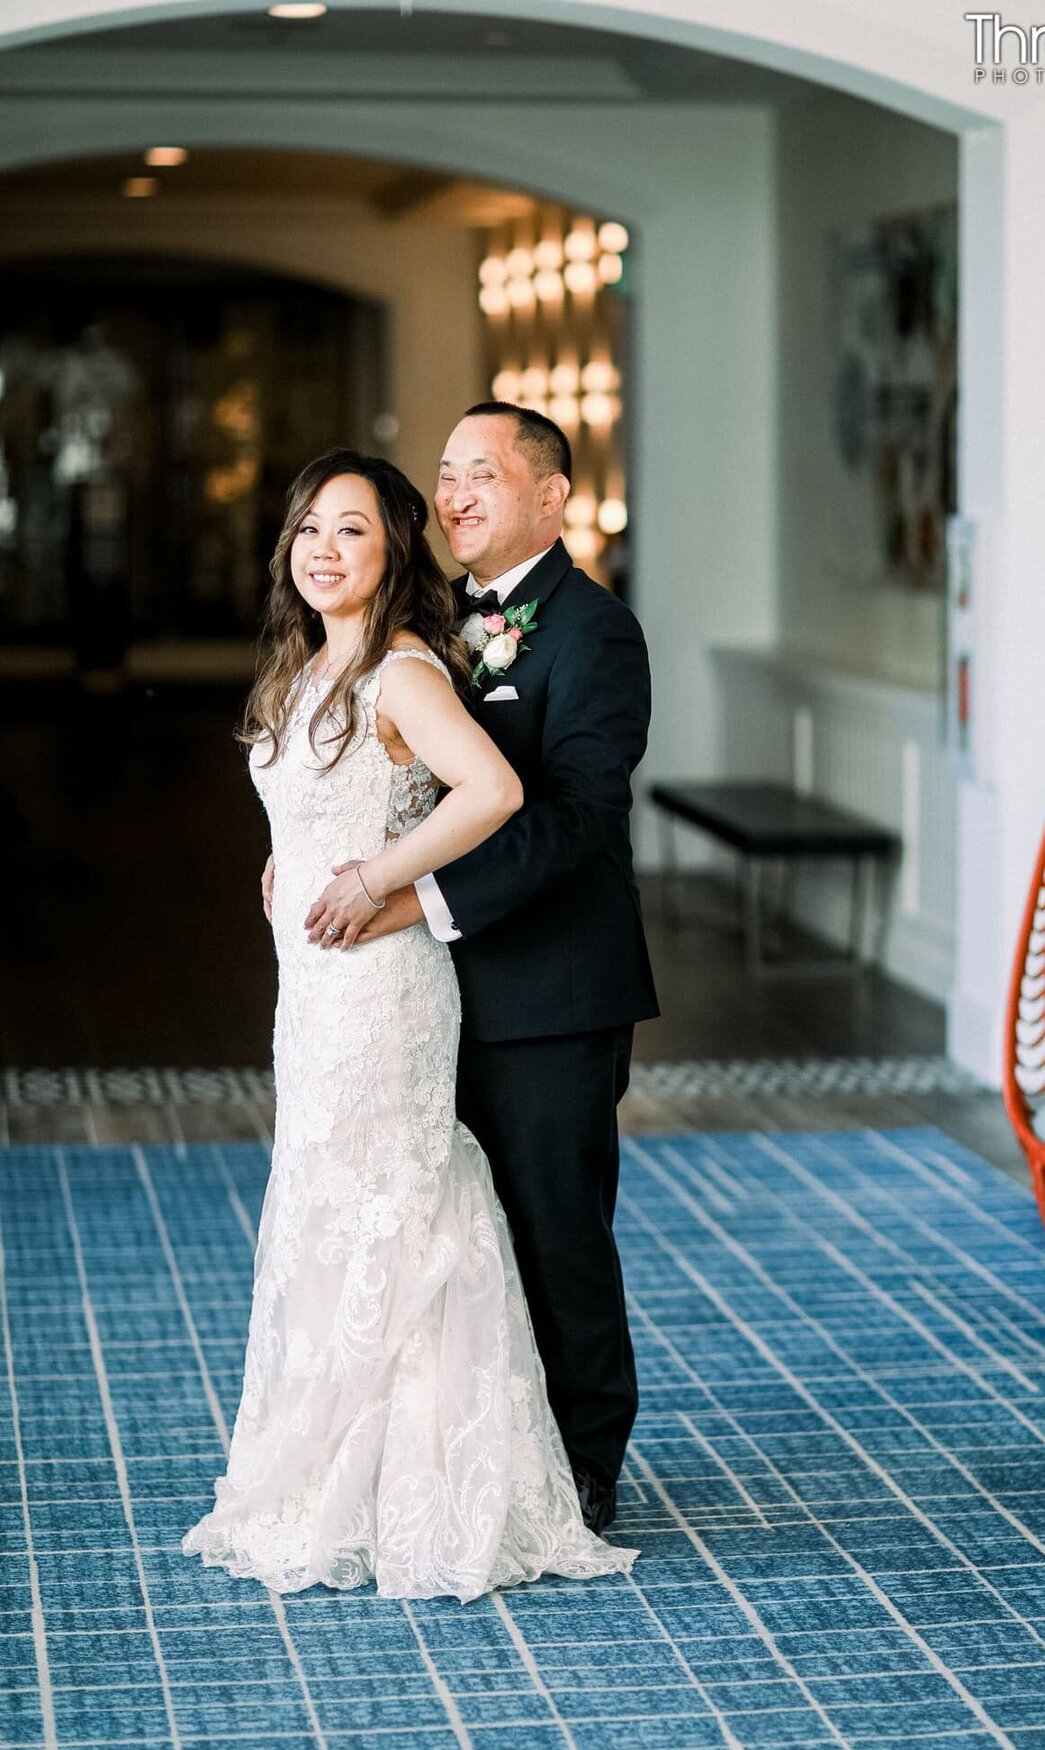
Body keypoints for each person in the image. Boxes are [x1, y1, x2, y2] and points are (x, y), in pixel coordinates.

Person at [182, 448, 636, 1600]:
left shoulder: (409, 670)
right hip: (321, 991)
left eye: (352, 531)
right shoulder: (300, 671)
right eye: (308, 531)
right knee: (329, 1201)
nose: (324, 550)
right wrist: (285, 862)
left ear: (393, 556)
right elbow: (312, 793)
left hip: (395, 982)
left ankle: (506, 1473)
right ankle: (344, 1459)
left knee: (416, 1206)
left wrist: (379, 879)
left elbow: (502, 795)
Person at [302, 404, 659, 1535]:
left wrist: (412, 896)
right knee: (450, 1232)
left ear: (551, 496)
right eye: (445, 475)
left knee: (555, 1229)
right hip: (423, 995)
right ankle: (468, 1451)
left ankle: (586, 1465)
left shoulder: (595, 634)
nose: (453, 496)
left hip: (550, 991)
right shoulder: (429, 623)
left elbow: (576, 820)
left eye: (482, 476)